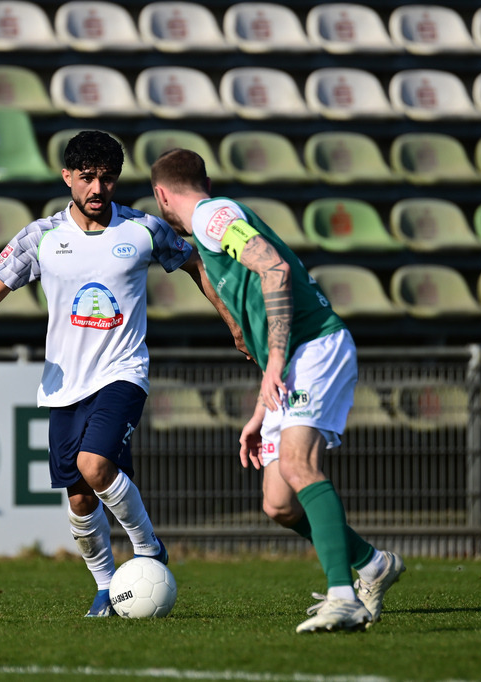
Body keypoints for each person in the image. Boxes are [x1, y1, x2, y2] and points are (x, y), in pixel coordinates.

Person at [0, 131, 233, 617]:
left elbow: (195, 264)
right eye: (87, 179)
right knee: (81, 499)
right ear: (68, 178)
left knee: (95, 465)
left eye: (107, 179)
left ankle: (149, 550)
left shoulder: (143, 230)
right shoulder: (42, 236)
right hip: (64, 385)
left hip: (123, 371)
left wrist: (233, 322)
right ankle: (106, 586)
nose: (97, 189)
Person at [150, 148, 405, 634]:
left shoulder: (210, 217)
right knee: (279, 503)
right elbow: (266, 315)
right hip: (290, 361)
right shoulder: (213, 226)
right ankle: (373, 565)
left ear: (162, 194)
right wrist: (259, 406)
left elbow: (276, 270)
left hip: (315, 346)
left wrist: (276, 364)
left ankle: (342, 596)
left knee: (297, 464)